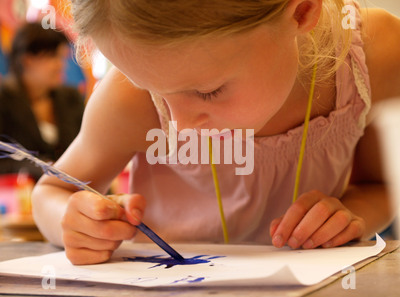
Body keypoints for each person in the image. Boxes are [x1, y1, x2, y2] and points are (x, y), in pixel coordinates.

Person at [32, 0, 400, 265]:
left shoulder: (371, 58)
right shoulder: (128, 99)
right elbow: (52, 191)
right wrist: (76, 222)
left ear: (302, 11)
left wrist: (352, 215)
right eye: (155, 91)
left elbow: (380, 187)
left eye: (207, 91)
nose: (180, 125)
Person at [0, 22, 85, 180]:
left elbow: (87, 148)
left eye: (62, 57)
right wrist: (40, 168)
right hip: (21, 198)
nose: (61, 65)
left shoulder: (71, 98)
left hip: (73, 192)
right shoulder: (4, 101)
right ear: (27, 59)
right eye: (53, 57)